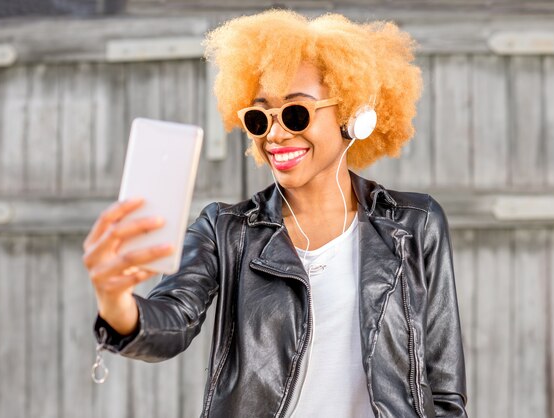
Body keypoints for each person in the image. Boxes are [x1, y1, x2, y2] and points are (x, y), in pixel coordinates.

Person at [83, 10, 467, 418]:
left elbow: (444, 392)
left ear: (352, 115)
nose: (276, 134)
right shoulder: (225, 230)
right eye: (259, 117)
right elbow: (172, 321)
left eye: (295, 113)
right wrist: (114, 300)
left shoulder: (415, 223)